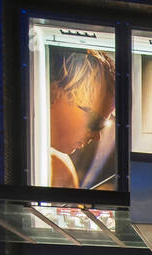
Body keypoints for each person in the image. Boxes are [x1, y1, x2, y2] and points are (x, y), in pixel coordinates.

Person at [47, 49, 115, 189]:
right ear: (55, 92)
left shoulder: (59, 169)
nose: (96, 136)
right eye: (96, 122)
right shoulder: (57, 169)